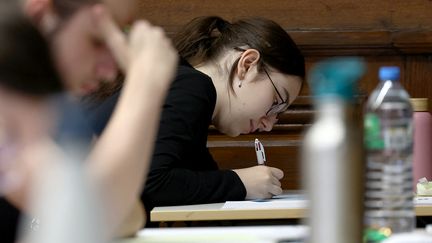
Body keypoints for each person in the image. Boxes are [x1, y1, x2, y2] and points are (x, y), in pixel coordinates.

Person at [86, 16, 305, 215]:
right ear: (246, 65)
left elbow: (197, 180)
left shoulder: (186, 89)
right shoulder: (193, 87)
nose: (268, 125)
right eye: (276, 103)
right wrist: (240, 182)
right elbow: (151, 183)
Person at [0, 0, 178, 241]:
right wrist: (145, 82)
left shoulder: (58, 107)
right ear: (42, 14)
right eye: (97, 40)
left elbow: (127, 215)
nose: (108, 70)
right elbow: (93, 211)